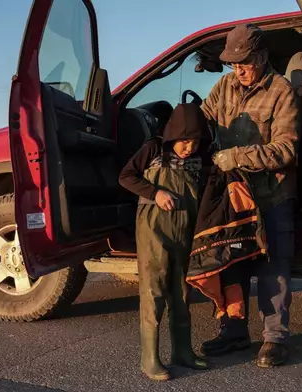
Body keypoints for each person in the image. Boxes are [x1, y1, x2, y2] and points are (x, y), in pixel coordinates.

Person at [199, 23, 300, 368]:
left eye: (244, 63)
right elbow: (203, 119)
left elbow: (286, 149)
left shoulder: (281, 91)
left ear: (261, 56)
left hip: (270, 194)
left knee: (273, 268)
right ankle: (234, 331)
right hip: (235, 196)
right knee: (231, 263)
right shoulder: (225, 85)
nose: (238, 70)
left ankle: (275, 339)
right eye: (232, 63)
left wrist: (237, 156)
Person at [118, 103, 211, 381]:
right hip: (153, 231)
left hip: (184, 231)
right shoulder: (154, 149)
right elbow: (125, 177)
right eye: (184, 141)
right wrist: (156, 192)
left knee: (181, 292)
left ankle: (182, 351)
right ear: (173, 135)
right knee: (154, 291)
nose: (189, 147)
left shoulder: (200, 158)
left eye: (194, 141)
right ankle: (150, 359)